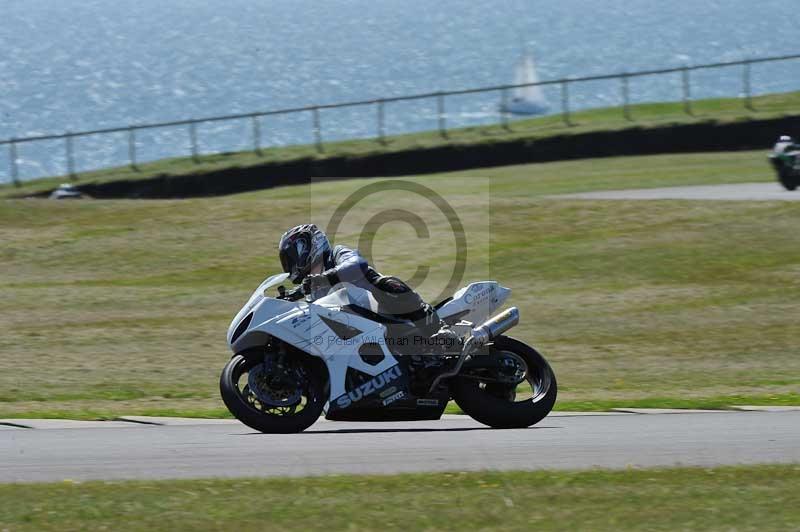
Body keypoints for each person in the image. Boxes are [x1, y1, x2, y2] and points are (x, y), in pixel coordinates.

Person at [278, 224, 459, 353]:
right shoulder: (311, 287)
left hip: (384, 312)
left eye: (291, 257)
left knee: (385, 283)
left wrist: (324, 279)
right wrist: (290, 298)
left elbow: (357, 264)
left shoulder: (337, 254)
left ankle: (438, 328)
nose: (289, 264)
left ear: (307, 247)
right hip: (365, 335)